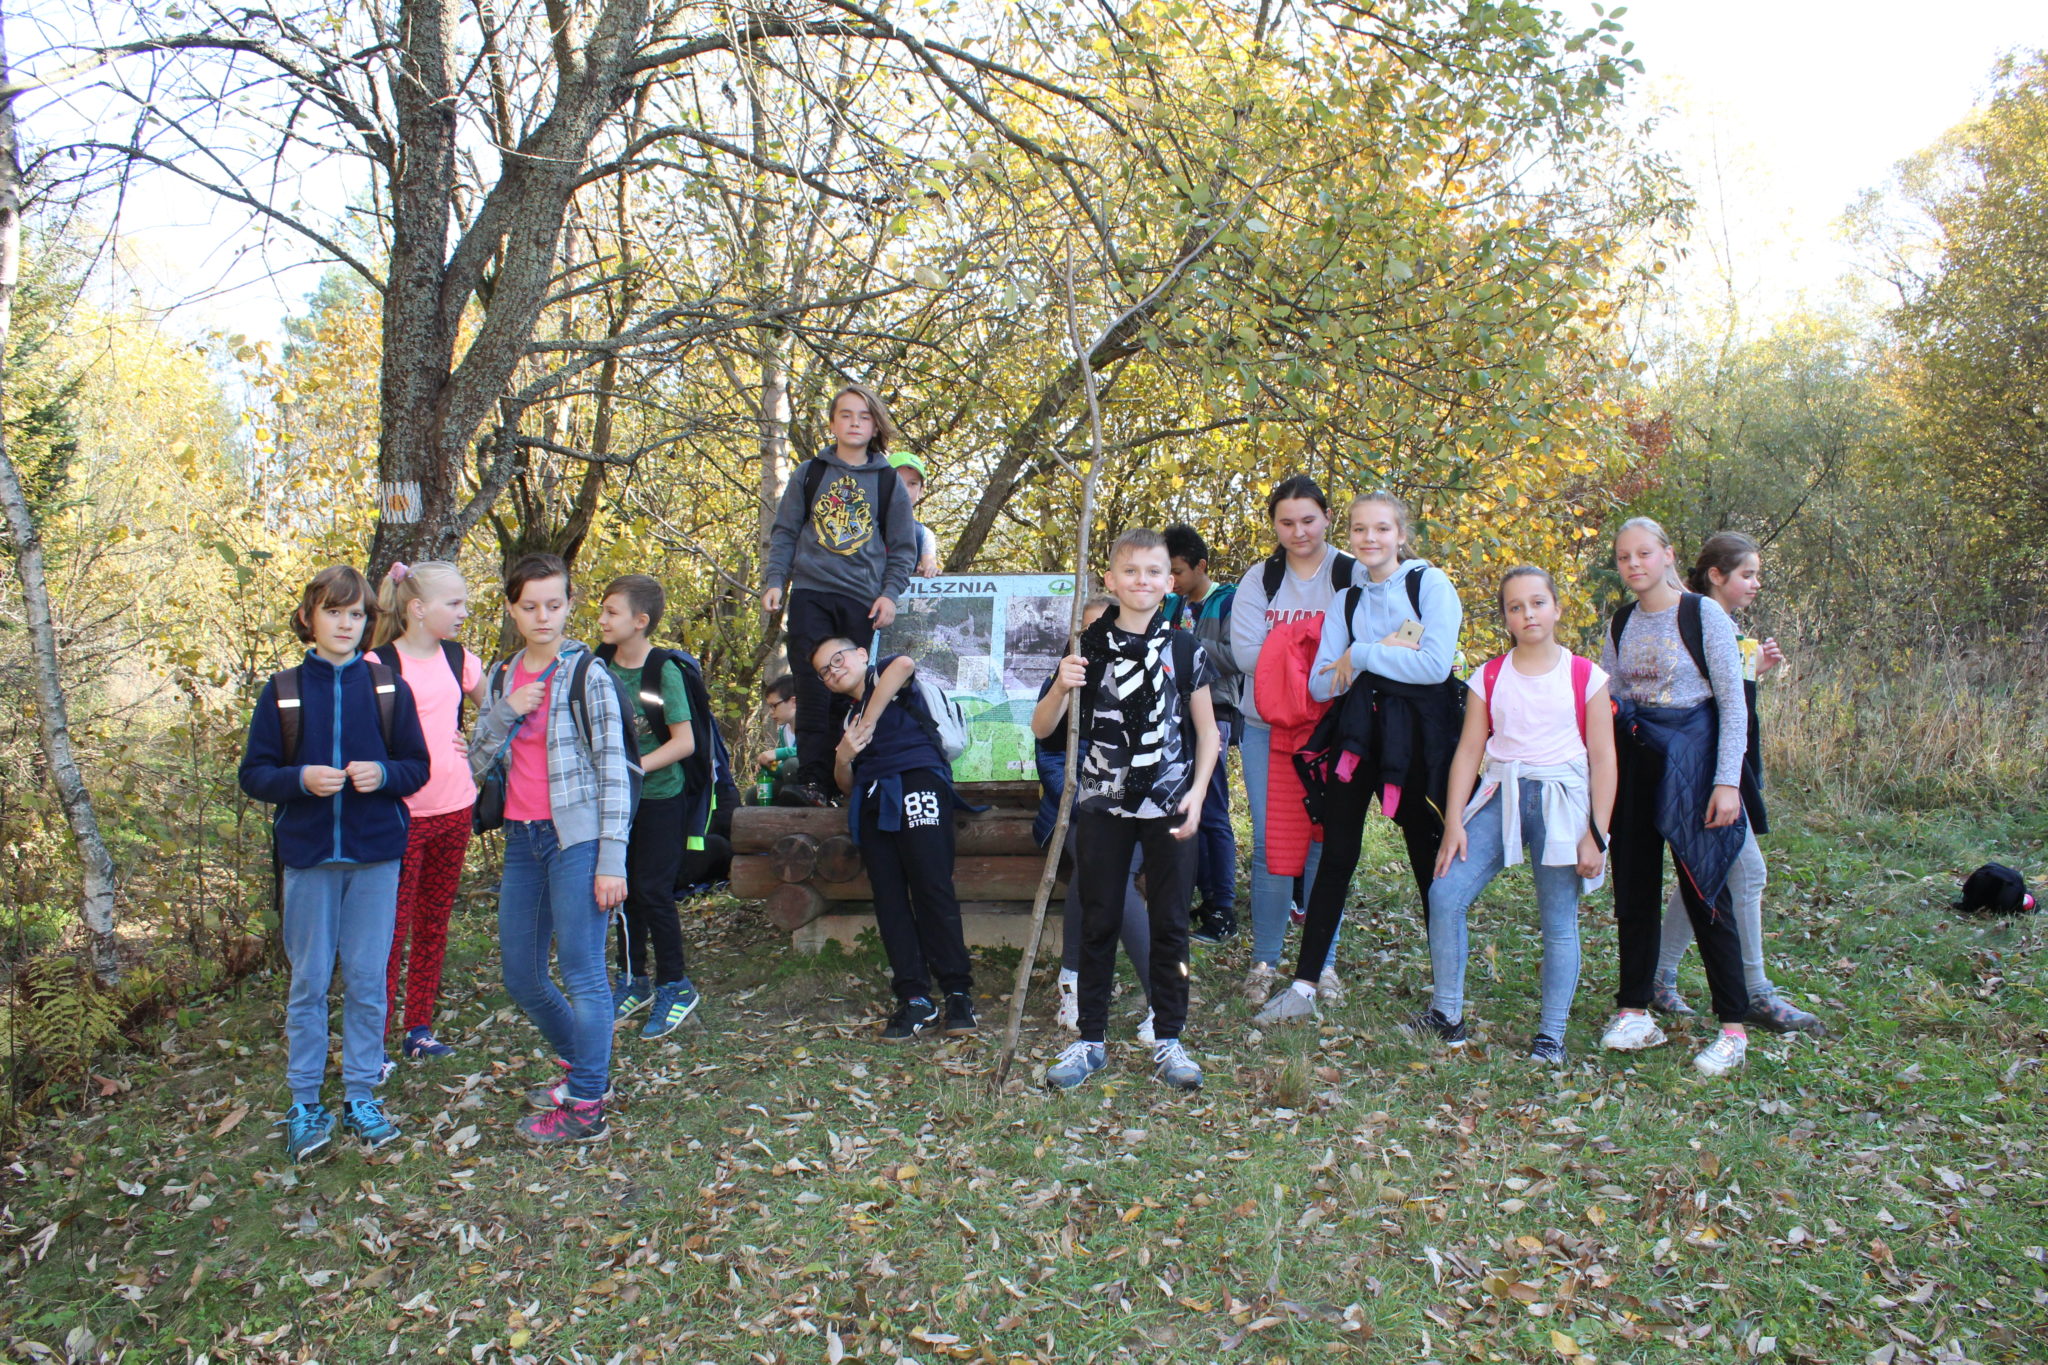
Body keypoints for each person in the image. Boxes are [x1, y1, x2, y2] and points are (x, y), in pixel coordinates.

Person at [1274, 568, 1615, 1064]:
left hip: (1561, 802)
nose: (1528, 614)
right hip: (1499, 795)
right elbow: (1468, 752)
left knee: (1557, 918)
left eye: (1538, 603)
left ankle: (1551, 1036)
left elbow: (1603, 758)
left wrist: (1596, 833)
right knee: (1445, 892)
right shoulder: (1489, 676)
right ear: (1505, 618)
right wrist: (1455, 821)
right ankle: (1447, 1015)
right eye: (1515, 607)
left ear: (1557, 608)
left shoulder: (1585, 676)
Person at [239, 566, 431, 1162]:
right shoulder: (283, 691)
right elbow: (255, 775)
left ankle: (361, 1095)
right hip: (309, 859)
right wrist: (300, 779)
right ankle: (304, 1102)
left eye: (356, 614)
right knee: (310, 981)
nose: (345, 624)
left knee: (369, 980)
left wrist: (383, 775)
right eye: (333, 612)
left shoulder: (388, 689)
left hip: (375, 858)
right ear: (309, 617)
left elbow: (416, 767)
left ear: (367, 622)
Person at [1252, 491, 1464, 1025]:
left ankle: (1448, 999)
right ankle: (1303, 986)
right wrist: (1382, 654)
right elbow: (1322, 684)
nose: (1370, 539)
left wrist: (1362, 654)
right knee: (1336, 855)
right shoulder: (1347, 600)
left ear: (1401, 534)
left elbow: (1435, 666)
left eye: (1382, 529)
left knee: (1427, 858)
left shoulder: (1428, 585)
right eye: (1360, 529)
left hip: (1417, 744)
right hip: (1357, 739)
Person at [1033, 529, 1220, 1093]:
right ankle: (1090, 1039)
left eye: (1154, 571)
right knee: (1098, 918)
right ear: (1111, 580)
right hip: (1101, 804)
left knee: (1171, 922)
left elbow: (1208, 732)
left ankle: (1169, 1037)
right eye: (1131, 571)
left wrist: (1197, 792)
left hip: (1169, 802)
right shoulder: (1086, 648)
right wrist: (1060, 688)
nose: (1143, 581)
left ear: (1170, 582)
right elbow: (1042, 730)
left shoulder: (1184, 649)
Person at [469, 553, 636, 1142]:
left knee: (585, 975)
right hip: (522, 839)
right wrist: (504, 712)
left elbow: (615, 771)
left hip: (578, 841)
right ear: (512, 610)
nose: (543, 616)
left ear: (569, 605)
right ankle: (590, 1069)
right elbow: (475, 761)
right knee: (522, 975)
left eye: (555, 604)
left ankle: (586, 1106)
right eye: (530, 606)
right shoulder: (501, 677)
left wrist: (611, 858)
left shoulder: (587, 675)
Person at [1651, 533, 1825, 1035]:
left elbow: (1728, 701)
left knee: (1708, 870)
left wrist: (1754, 671)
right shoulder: (1698, 620)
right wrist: (1722, 780)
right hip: (1704, 773)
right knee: (1745, 873)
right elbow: (1704, 707)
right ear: (1716, 575)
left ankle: (1660, 977)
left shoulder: (1723, 626)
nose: (1755, 584)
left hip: (1722, 771)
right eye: (1747, 574)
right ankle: (1755, 993)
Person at [1599, 518, 1753, 1077]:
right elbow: (1612, 698)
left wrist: (1727, 782)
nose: (1633, 565)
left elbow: (1732, 704)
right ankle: (1634, 1010)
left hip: (1694, 765)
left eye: (1644, 553)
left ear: (1667, 555)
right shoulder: (1620, 623)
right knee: (1634, 890)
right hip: (1637, 764)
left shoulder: (1702, 614)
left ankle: (1733, 1028)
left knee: (1704, 890)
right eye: (1624, 557)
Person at [1230, 476, 1356, 1006]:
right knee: (1271, 845)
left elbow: (1370, 644)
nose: (1299, 531)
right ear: (1274, 525)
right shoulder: (1262, 578)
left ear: (1327, 517)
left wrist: (1286, 651)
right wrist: (1321, 654)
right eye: (1286, 522)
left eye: (1308, 519)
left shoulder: (1351, 572)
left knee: (1328, 843)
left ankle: (1322, 963)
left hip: (1333, 730)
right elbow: (1245, 653)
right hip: (1268, 727)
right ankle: (1264, 960)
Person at [761, 384, 919, 806]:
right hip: (811, 591)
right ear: (832, 423)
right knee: (813, 686)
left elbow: (904, 547)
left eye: (864, 416)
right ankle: (814, 782)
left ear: (875, 426)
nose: (854, 423)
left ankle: (845, 780)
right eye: (845, 415)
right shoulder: (810, 473)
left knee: (848, 687)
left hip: (860, 598)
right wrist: (775, 580)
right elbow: (785, 532)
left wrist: (890, 594)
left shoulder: (887, 481)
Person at [818, 636, 978, 1040]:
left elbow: (905, 664)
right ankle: (915, 997)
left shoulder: (884, 678)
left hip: (919, 783)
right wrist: (842, 756)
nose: (833, 671)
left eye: (837, 659)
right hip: (873, 802)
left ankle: (958, 992)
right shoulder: (848, 719)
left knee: (932, 887)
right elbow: (847, 784)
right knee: (889, 898)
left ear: (860, 654)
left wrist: (868, 724)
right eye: (824, 671)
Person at [367, 560, 485, 1065]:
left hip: (455, 810)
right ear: (417, 608)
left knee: (433, 923)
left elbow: (500, 714)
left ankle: (418, 1028)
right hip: (400, 817)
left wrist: (476, 745)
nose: (464, 612)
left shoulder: (460, 659)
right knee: (390, 932)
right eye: (454, 603)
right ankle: (373, 1041)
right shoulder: (377, 664)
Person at [1036, 596, 1155, 1044]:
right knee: (1103, 865)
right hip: (1073, 813)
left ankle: (1073, 978)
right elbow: (1050, 760)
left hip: (1136, 811)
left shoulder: (1145, 675)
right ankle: (1160, 996)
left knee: (1100, 869)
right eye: (1088, 630)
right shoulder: (1063, 682)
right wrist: (1093, 800)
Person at [596, 574, 702, 1041]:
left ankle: (675, 985)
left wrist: (632, 768)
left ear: (640, 621)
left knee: (653, 890)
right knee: (622, 892)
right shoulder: (598, 665)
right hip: (613, 801)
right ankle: (633, 978)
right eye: (602, 610)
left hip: (660, 797)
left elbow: (684, 742)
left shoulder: (663, 671)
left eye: (611, 612)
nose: (602, 620)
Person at [1165, 523, 1241, 945]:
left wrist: (1186, 643)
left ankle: (1223, 909)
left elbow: (1237, 656)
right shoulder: (1171, 604)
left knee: (1212, 809)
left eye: (1177, 571)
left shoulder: (1228, 601)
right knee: (1186, 807)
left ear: (1201, 566)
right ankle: (1206, 896)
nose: (1172, 580)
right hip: (1176, 714)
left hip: (1217, 712)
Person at [887, 451, 944, 576]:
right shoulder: (861, 523)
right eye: (897, 481)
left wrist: (930, 571)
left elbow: (930, 565)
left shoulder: (923, 535)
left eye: (912, 483)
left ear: (921, 490)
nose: (904, 489)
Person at [754, 675, 799, 805]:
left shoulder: (811, 725)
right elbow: (784, 770)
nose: (771, 712)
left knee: (792, 765)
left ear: (793, 702)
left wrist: (778, 753)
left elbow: (810, 753)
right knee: (754, 795)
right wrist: (770, 767)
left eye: (774, 706)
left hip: (812, 782)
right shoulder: (783, 731)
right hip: (790, 783)